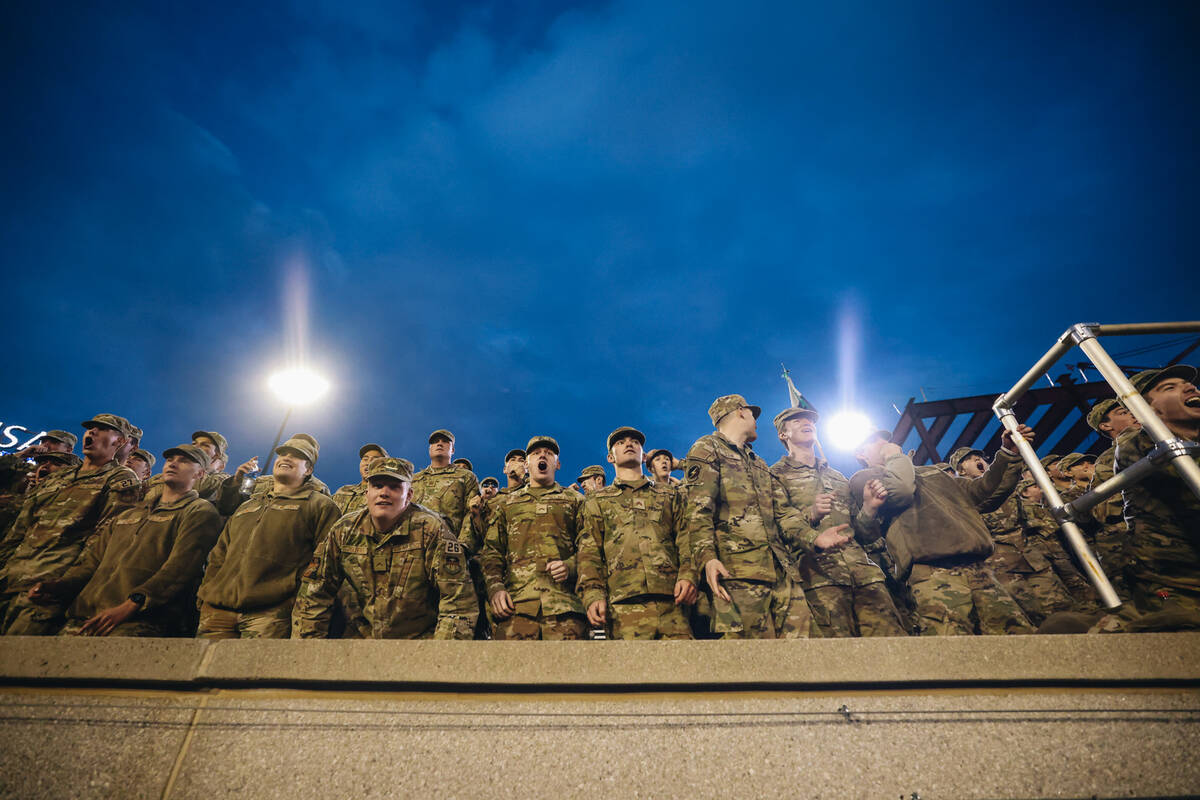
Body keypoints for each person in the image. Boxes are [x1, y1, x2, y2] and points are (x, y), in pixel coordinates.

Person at [683, 394, 849, 639]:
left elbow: (783, 513)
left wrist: (814, 537)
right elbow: (698, 510)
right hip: (737, 574)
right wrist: (707, 558)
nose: (755, 421)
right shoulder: (707, 449)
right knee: (750, 661)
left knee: (809, 655)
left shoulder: (759, 463)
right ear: (741, 412)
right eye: (752, 414)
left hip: (782, 573)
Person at [849, 427, 1036, 636]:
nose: (883, 443)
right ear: (861, 454)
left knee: (1017, 640)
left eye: (885, 439)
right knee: (954, 649)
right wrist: (894, 457)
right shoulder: (864, 477)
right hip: (931, 573)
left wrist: (1007, 454)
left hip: (979, 568)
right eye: (875, 441)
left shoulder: (932, 472)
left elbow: (982, 492)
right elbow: (901, 490)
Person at [29, 444, 222, 637]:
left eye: (185, 461)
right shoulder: (129, 514)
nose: (173, 464)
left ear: (200, 474)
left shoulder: (199, 511)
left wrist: (134, 603)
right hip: (83, 617)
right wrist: (59, 587)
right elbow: (91, 563)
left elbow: (180, 569)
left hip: (138, 621)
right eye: (170, 460)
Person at [292, 457, 478, 639]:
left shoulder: (432, 530)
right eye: (378, 485)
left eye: (394, 487)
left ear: (409, 495)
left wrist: (437, 661)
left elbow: (458, 602)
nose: (384, 493)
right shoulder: (344, 530)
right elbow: (314, 595)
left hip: (418, 647)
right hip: (358, 645)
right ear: (367, 493)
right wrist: (308, 654)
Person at [0, 414, 141, 635]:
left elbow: (105, 539)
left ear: (120, 441)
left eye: (103, 429)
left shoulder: (119, 478)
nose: (92, 432)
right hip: (9, 578)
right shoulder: (60, 478)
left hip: (45, 589)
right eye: (91, 428)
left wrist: (67, 584)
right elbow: (20, 528)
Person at [770, 407, 905, 637]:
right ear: (783, 434)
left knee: (893, 650)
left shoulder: (838, 477)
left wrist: (870, 509)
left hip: (865, 576)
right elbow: (779, 523)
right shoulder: (775, 476)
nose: (807, 422)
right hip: (820, 578)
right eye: (798, 420)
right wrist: (811, 516)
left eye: (810, 420)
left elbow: (862, 533)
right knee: (838, 660)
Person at [196, 434, 340, 638]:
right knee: (203, 670)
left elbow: (324, 565)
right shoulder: (248, 505)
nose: (286, 458)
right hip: (217, 612)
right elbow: (219, 555)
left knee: (255, 670)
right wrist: (206, 595)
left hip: (270, 614)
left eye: (297, 456)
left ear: (308, 470)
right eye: (282, 454)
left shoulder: (320, 506)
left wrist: (293, 600)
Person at [577, 427, 697, 639]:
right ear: (610, 457)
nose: (629, 443)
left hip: (673, 602)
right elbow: (590, 553)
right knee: (631, 671)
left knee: (683, 669)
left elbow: (687, 539)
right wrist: (593, 594)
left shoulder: (669, 494)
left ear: (644, 456)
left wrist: (689, 575)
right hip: (623, 606)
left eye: (635, 441)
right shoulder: (597, 501)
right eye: (621, 442)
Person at [950, 446, 1075, 626]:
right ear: (961, 470)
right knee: (1032, 617)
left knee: (1062, 607)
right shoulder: (962, 496)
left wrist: (1012, 457)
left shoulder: (1007, 487)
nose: (979, 460)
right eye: (971, 459)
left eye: (980, 456)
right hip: (1002, 567)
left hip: (1032, 559)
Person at [1113, 365, 1200, 622]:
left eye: (1188, 384)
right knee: (1173, 624)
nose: (1190, 387)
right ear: (1148, 409)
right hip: (1170, 577)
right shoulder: (1140, 443)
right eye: (1169, 388)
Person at [481, 435, 587, 639]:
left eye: (549, 454)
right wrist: (495, 589)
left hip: (566, 611)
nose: (543, 456)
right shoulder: (506, 504)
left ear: (557, 464)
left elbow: (590, 548)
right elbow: (491, 552)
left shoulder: (574, 501)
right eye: (536, 453)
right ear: (527, 465)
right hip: (516, 609)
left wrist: (571, 566)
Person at [1085, 398, 1141, 599]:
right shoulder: (1109, 459)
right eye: (1123, 412)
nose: (1133, 413)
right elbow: (1103, 510)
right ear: (1106, 425)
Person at [412, 429, 480, 537]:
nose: (439, 443)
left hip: (447, 544)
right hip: (411, 547)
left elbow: (470, 514)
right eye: (435, 442)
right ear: (429, 449)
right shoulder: (414, 479)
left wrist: (463, 546)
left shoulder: (466, 477)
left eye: (445, 441)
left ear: (452, 450)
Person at [332, 444, 389, 516]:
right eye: (365, 459)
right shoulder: (343, 491)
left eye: (375, 460)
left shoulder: (385, 495)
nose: (368, 463)